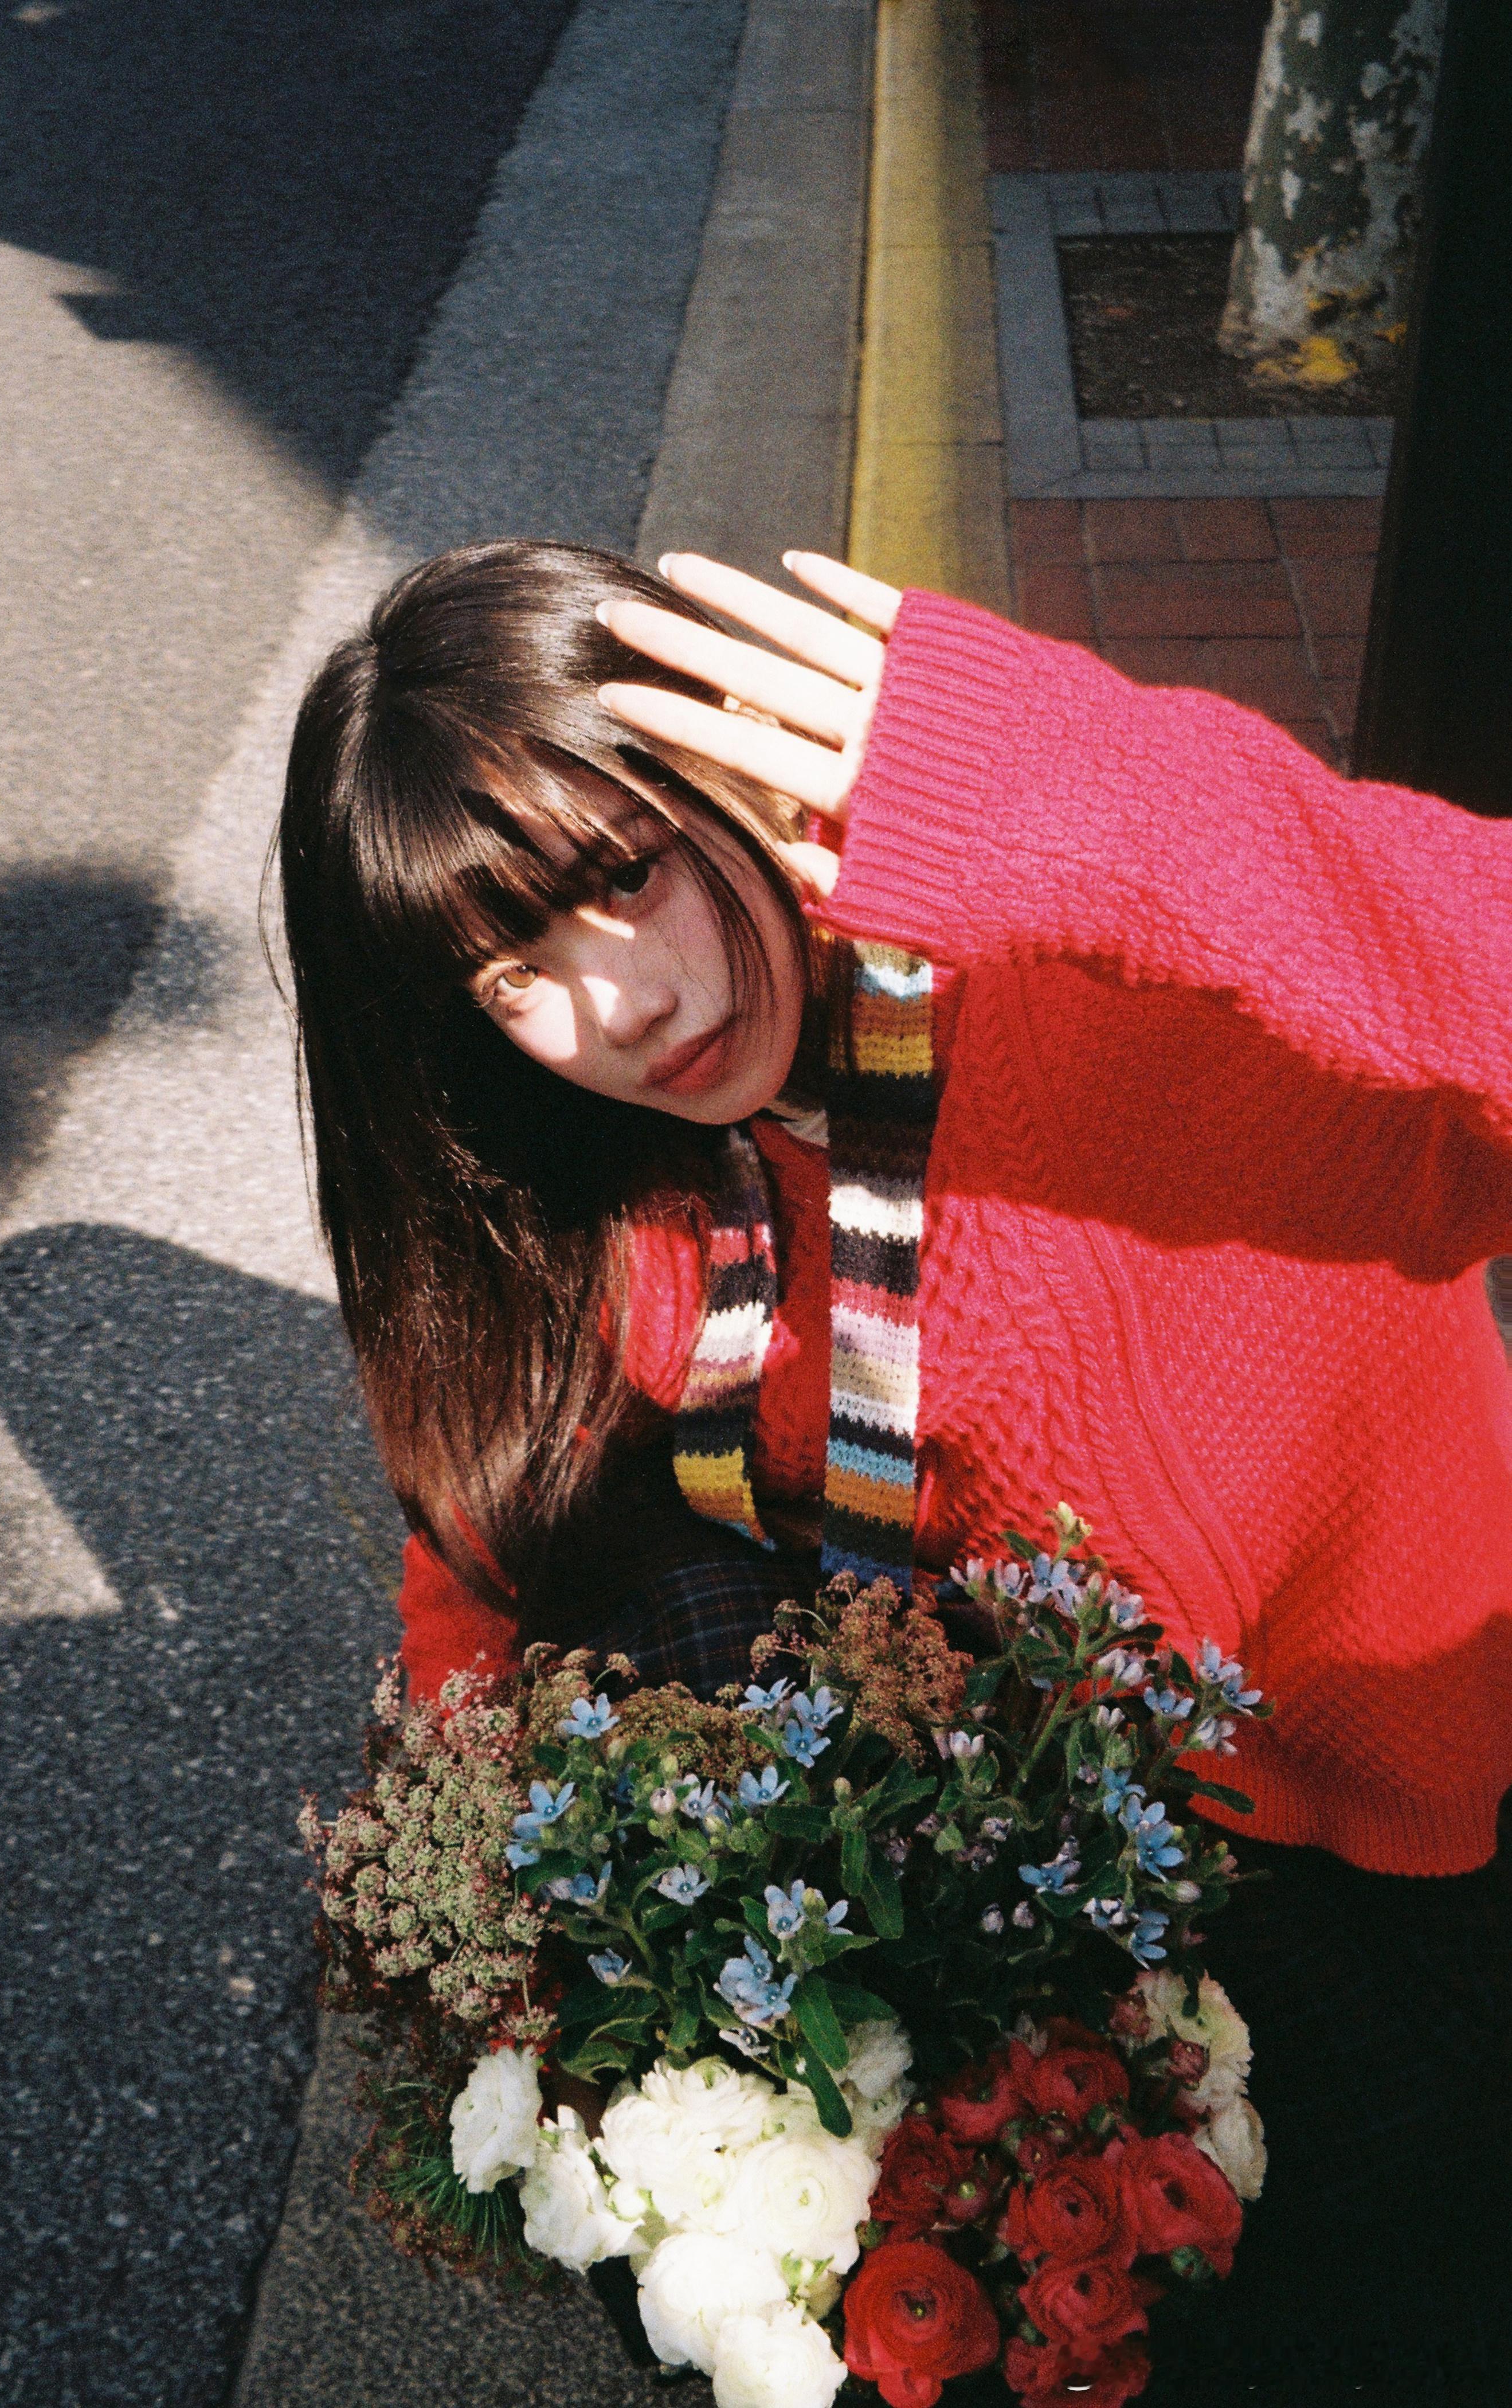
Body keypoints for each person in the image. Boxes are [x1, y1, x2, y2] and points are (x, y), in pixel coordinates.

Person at [279, 538, 1512, 2398]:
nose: (625, 1005)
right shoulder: (589, 1189)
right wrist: (516, 1959)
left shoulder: (1112, 997)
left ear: (727, 772)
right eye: (515, 972)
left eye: (629, 872)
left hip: (1398, 1839)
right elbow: (485, 1526)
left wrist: (1126, 803)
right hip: (1023, 1865)